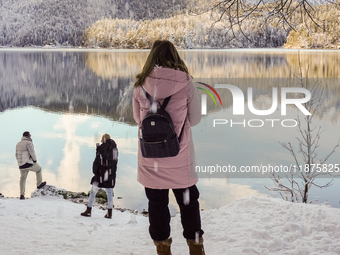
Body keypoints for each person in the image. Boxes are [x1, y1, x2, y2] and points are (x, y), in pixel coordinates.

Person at [133, 40, 204, 255]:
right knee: (189, 203)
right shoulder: (186, 82)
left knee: (156, 204)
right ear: (175, 56)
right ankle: (196, 249)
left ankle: (162, 249)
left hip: (151, 159)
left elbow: (138, 120)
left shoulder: (140, 85)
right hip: (180, 159)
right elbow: (196, 119)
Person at [81, 133, 118, 219]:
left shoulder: (101, 148)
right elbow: (114, 162)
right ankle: (109, 212)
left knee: (93, 192)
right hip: (110, 174)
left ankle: (89, 210)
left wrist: (95, 171)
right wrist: (111, 172)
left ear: (103, 140)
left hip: (101, 174)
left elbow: (97, 162)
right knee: (109, 193)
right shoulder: (115, 149)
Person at [15, 131, 46, 200]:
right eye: (30, 134)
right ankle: (39, 184)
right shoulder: (29, 143)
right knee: (39, 169)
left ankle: (22, 195)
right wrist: (34, 160)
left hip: (21, 164)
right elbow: (32, 152)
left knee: (22, 179)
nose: (30, 135)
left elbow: (16, 154)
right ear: (28, 136)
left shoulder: (18, 143)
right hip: (28, 163)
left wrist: (19, 163)